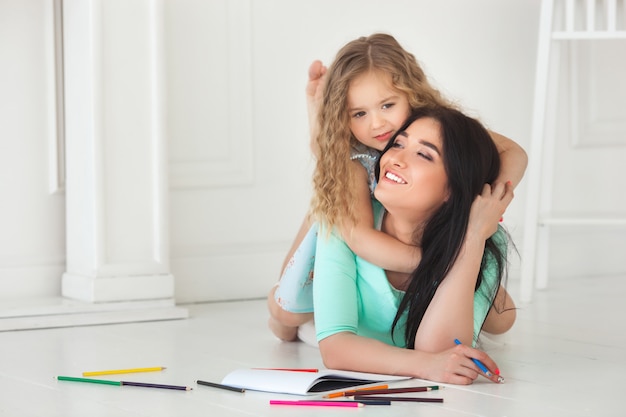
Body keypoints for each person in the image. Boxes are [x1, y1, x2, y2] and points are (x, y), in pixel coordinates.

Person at [267, 33, 527, 341]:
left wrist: (486, 200)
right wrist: (435, 259)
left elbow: (514, 153)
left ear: (411, 94)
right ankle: (281, 324)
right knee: (286, 310)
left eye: (387, 105)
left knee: (502, 319)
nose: (377, 124)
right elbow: (360, 238)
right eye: (359, 114)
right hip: (351, 223)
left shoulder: (432, 127)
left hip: (429, 229)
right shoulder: (352, 160)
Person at [313, 105, 516, 384]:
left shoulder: (481, 236)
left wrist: (471, 239)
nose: (395, 158)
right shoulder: (344, 223)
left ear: (453, 188)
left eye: (423, 154)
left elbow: (443, 351)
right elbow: (335, 348)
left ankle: (492, 301)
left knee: (504, 319)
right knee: (285, 312)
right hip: (308, 288)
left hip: (456, 234)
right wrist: (422, 365)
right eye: (398, 143)